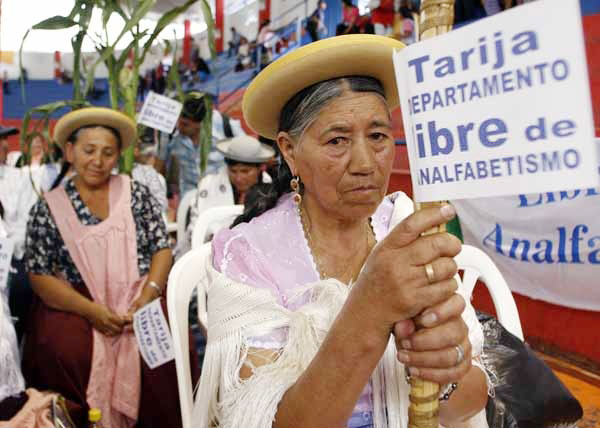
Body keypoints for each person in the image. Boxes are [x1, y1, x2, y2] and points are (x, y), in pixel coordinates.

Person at [192, 35, 490, 427]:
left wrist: (444, 369)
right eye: (337, 140)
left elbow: (469, 403)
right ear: (289, 150)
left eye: (378, 136)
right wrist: (370, 309)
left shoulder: (406, 227)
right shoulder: (247, 254)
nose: (366, 163)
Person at [22, 107, 198, 428]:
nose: (98, 161)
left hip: (137, 296)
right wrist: (91, 311)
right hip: (76, 302)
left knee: (165, 347)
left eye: (108, 153)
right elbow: (40, 274)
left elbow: (161, 249)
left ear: (118, 155)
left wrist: (148, 296)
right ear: (70, 152)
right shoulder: (48, 207)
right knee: (66, 349)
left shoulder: (136, 195)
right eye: (89, 151)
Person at [181, 135, 274, 254]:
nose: (239, 178)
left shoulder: (270, 191)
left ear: (260, 168)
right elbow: (196, 228)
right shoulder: (208, 186)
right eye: (233, 171)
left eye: (245, 171)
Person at [157, 91, 207, 197]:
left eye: (185, 124)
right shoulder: (169, 132)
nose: (179, 127)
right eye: (177, 121)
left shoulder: (224, 127)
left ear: (199, 124)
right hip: (188, 194)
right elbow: (160, 163)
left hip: (219, 193)